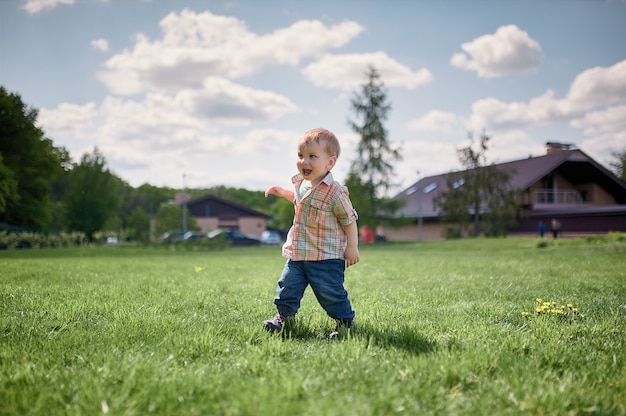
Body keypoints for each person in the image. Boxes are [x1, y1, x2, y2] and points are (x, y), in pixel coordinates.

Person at [263, 128, 359, 339]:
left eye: (312, 156)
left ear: (330, 162)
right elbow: (299, 201)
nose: (304, 161)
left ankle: (345, 322)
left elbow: (349, 220)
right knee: (287, 286)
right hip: (298, 253)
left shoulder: (335, 192)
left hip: (326, 257)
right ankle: (283, 318)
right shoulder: (301, 185)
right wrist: (281, 192)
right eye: (301, 155)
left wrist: (351, 247)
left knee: (330, 293)